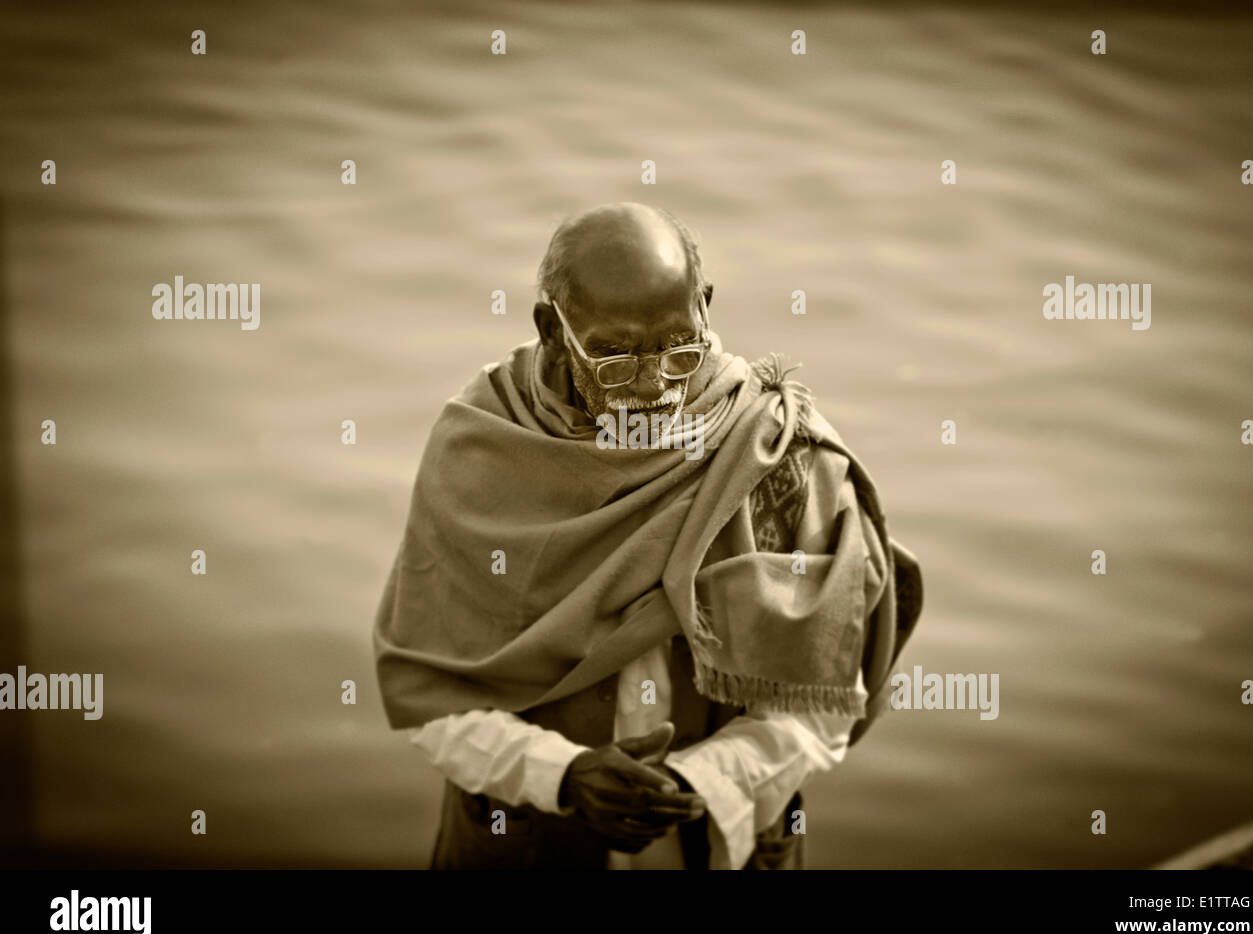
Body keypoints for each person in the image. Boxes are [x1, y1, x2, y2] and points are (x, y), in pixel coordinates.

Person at [372, 202, 922, 869]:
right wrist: (564, 776)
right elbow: (432, 693)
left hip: (721, 841)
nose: (655, 385)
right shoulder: (483, 454)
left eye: (676, 347)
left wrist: (702, 781)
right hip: (527, 840)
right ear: (551, 328)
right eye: (612, 354)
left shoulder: (779, 456)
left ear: (706, 308)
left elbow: (828, 693)